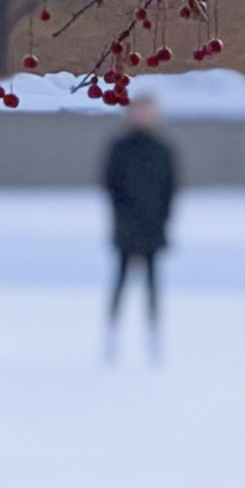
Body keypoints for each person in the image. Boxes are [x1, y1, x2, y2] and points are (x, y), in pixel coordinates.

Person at [100, 99, 179, 360]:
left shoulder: (162, 149)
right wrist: (121, 216)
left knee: (153, 283)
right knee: (120, 281)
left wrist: (162, 219)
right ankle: (112, 335)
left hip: (153, 227)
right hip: (126, 226)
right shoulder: (120, 148)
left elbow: (171, 188)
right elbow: (109, 185)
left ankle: (153, 335)